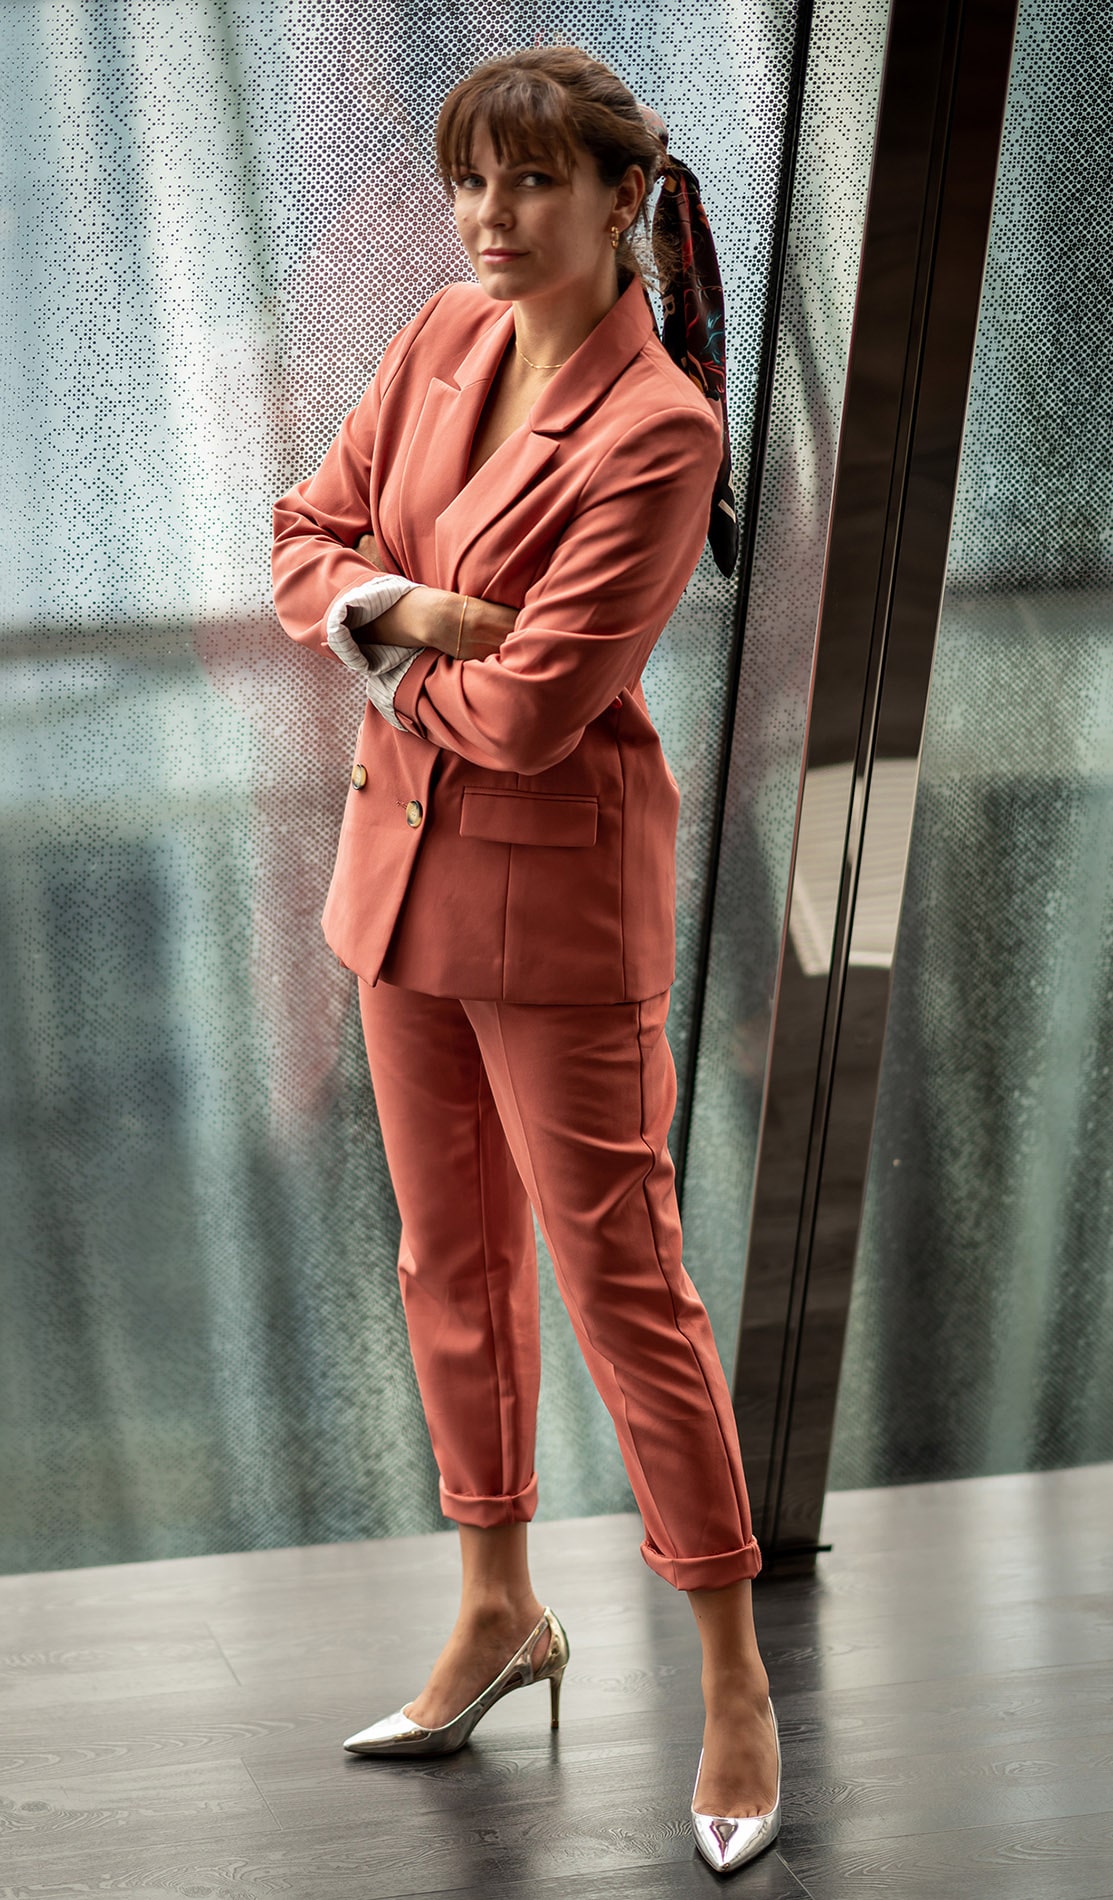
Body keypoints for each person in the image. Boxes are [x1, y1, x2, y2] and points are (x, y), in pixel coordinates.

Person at [271, 43, 780, 1876]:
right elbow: (298, 538)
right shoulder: (434, 339)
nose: (489, 220)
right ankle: (499, 1610)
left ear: (620, 201)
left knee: (623, 1292)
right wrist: (408, 606)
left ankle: (731, 1679)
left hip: (554, 915)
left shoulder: (660, 430)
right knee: (445, 1266)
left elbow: (545, 705)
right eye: (469, 184)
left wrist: (384, 636)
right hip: (396, 895)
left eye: (531, 185)